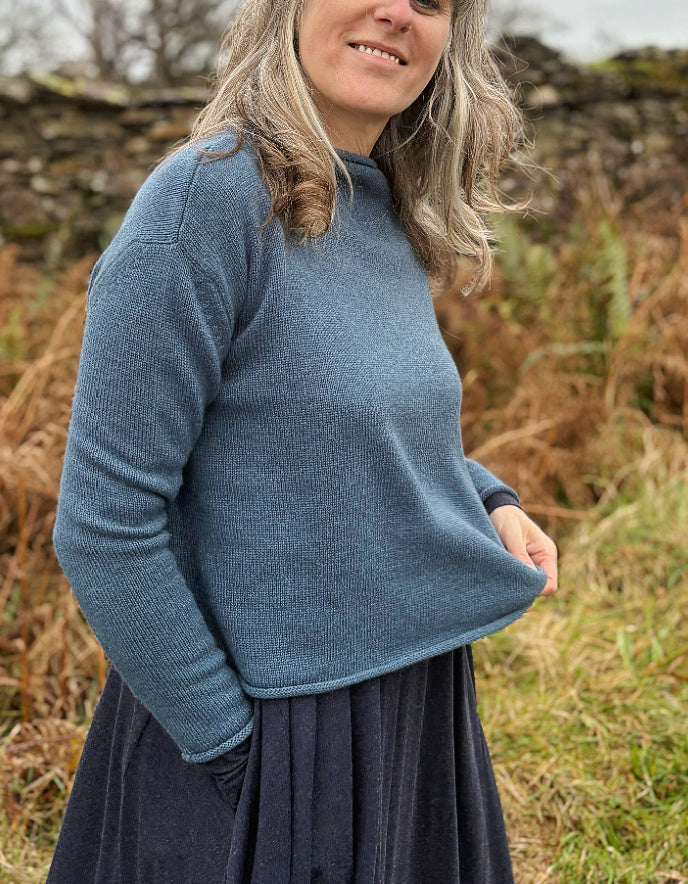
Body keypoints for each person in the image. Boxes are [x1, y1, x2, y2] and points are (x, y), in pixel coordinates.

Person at [46, 0, 558, 881]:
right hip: (269, 730)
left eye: (432, 1)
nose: (397, 12)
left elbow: (337, 424)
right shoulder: (207, 200)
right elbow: (105, 523)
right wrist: (233, 752)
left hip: (409, 705)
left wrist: (487, 499)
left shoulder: (379, 207)